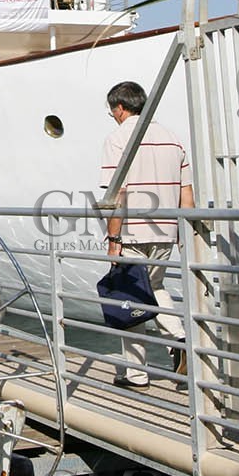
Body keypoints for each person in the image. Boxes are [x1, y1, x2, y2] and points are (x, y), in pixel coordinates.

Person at [100, 81, 194, 388]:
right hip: (165, 231)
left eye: (112, 110)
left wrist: (114, 240)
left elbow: (118, 196)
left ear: (120, 108)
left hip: (132, 233)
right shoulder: (173, 139)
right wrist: (183, 233)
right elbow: (187, 194)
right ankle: (179, 341)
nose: (112, 116)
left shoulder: (118, 139)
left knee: (129, 298)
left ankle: (136, 374)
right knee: (154, 287)